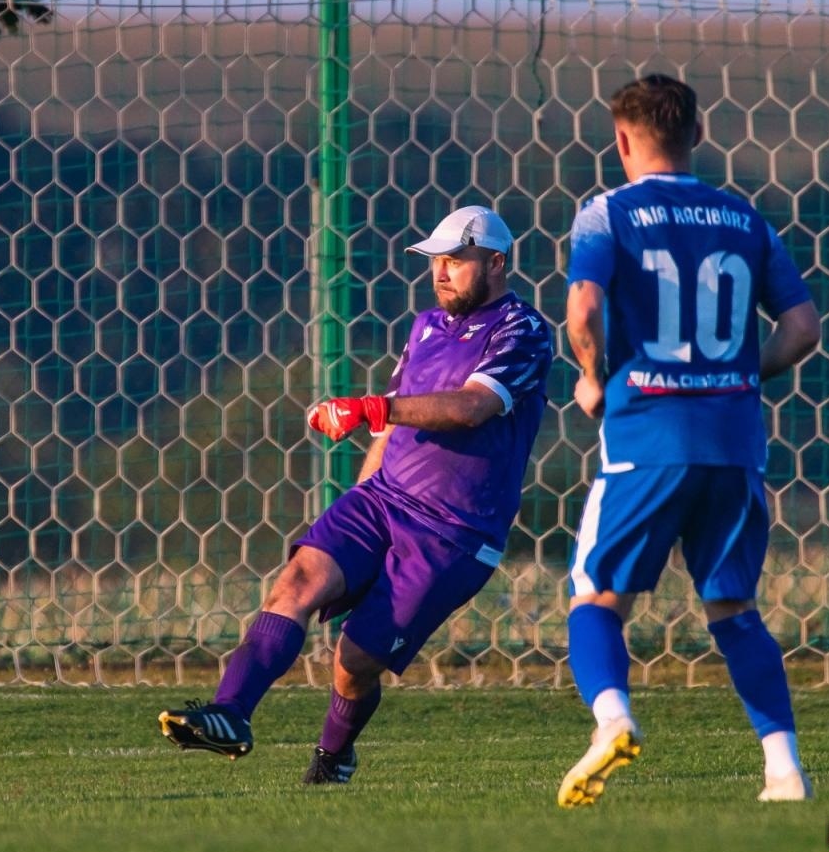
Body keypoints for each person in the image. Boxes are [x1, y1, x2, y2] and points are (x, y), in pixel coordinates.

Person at [157, 205, 553, 784]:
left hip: (453, 533)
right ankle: (231, 714)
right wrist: (363, 495)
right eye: (435, 260)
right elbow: (393, 428)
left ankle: (334, 757)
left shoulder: (523, 330)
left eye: (456, 260)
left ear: (496, 263)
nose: (441, 271)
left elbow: (472, 407)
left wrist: (369, 407)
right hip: (383, 500)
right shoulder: (424, 326)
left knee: (353, 664)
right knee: (296, 581)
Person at [558, 74, 822, 807]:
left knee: (596, 597)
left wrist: (591, 376)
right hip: (736, 444)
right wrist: (740, 370)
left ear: (620, 140)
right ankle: (784, 769)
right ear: (697, 137)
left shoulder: (605, 213)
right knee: (733, 608)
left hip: (647, 436)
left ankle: (611, 719)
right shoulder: (745, 217)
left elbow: (583, 309)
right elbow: (803, 329)